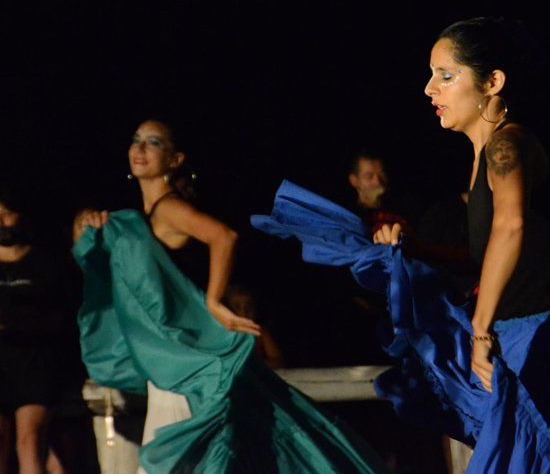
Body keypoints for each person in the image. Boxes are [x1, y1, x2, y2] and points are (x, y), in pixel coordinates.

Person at [256, 18, 550, 473]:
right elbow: (491, 254)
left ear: (492, 82)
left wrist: (479, 328)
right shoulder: (485, 153)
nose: (429, 89)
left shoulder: (507, 145)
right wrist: (418, 249)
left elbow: (511, 226)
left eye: (446, 75)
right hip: (521, 340)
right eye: (431, 75)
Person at [73, 119, 386, 473]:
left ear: (175, 160)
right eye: (136, 139)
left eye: (154, 142)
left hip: (189, 364)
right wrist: (89, 220)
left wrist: (213, 301)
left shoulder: (168, 209)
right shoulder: (148, 214)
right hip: (179, 362)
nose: (140, 148)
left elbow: (224, 237)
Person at [0, 186, 70, 474]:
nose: (1, 221)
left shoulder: (45, 261)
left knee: (29, 442)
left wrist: (15, 322)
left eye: (7, 213)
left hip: (35, 363)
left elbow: (61, 315)